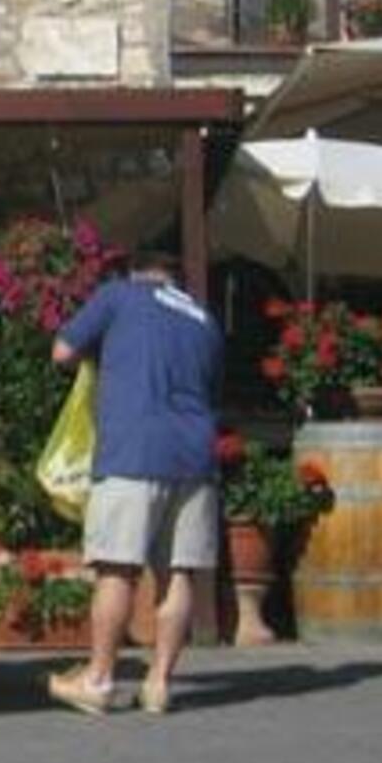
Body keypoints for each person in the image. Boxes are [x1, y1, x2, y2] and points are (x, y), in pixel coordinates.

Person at [46, 250, 225, 717]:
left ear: (135, 271)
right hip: (195, 455)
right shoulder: (203, 317)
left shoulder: (118, 296)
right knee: (178, 572)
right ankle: (160, 683)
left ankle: (99, 679)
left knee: (117, 569)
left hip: (133, 449)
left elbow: (62, 351)